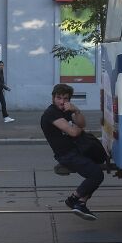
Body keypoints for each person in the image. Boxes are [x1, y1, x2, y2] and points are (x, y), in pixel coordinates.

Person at [41, 83, 104, 220]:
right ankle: (74, 200)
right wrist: (78, 127)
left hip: (76, 150)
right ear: (53, 98)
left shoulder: (67, 110)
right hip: (66, 155)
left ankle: (80, 202)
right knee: (96, 174)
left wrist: (77, 111)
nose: (62, 102)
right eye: (59, 98)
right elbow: (74, 132)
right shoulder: (51, 113)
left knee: (99, 164)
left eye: (65, 98)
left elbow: (82, 123)